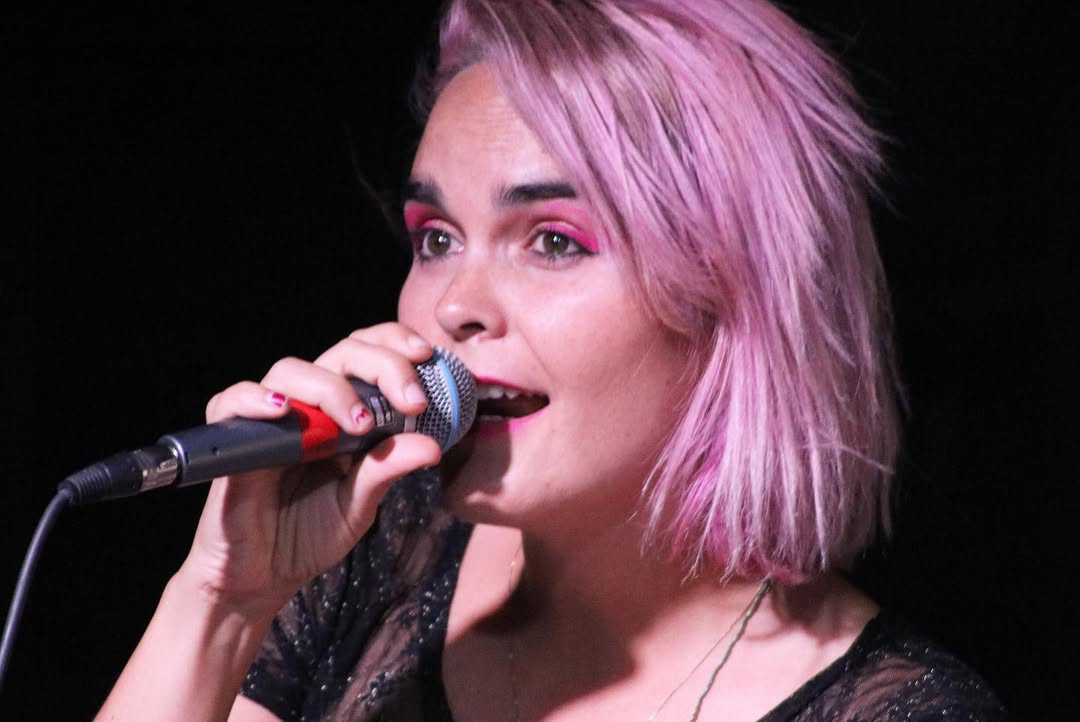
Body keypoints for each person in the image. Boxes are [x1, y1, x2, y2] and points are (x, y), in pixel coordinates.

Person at [94, 0, 1008, 720]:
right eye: (437, 237)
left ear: (732, 299)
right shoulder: (373, 556)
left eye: (554, 242)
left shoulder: (899, 709)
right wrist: (221, 603)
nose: (455, 305)